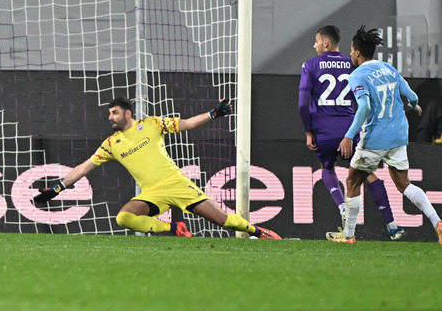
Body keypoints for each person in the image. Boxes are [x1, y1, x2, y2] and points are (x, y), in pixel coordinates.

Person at [33, 96, 281, 239]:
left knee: (224, 220)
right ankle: (174, 227)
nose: (110, 117)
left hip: (177, 184)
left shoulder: (151, 124)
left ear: (128, 114)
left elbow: (185, 124)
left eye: (115, 112)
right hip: (151, 192)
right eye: (109, 113)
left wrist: (213, 114)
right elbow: (84, 167)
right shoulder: (111, 144)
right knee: (124, 218)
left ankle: (259, 232)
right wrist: (57, 189)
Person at [329, 25, 442, 244]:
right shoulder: (389, 69)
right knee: (405, 185)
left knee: (352, 181)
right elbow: (411, 95)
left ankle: (347, 235)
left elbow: (364, 107)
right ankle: (438, 222)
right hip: (399, 135)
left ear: (357, 52)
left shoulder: (357, 75)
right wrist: (414, 105)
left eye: (351, 51)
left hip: (375, 138)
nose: (350, 54)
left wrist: (348, 135)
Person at [299, 25, 405, 240]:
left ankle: (342, 209)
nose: (315, 45)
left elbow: (303, 103)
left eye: (316, 40)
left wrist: (308, 131)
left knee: (326, 168)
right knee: (366, 174)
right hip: (351, 128)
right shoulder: (352, 63)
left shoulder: (310, 65)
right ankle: (392, 224)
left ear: (325, 43)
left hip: (323, 130)